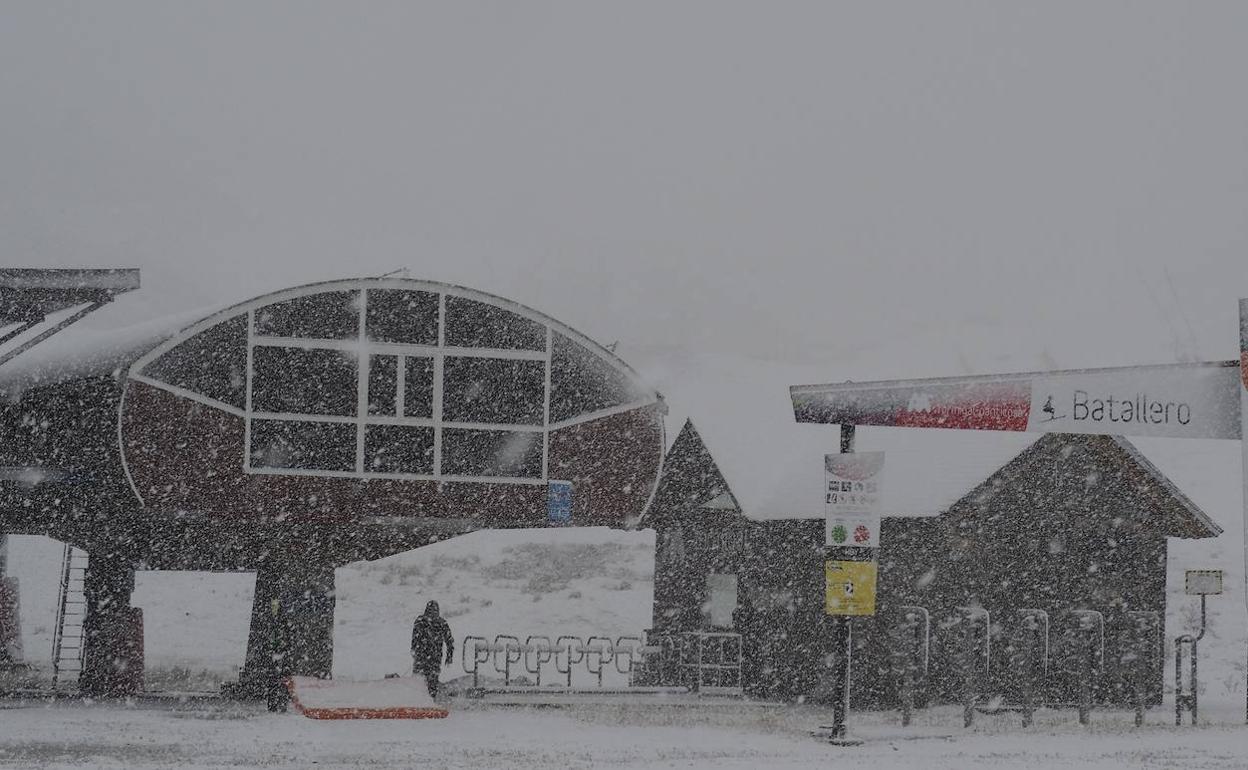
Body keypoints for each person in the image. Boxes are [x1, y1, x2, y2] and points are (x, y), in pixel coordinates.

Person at [411, 600, 453, 699]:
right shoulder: (441, 623)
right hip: (432, 657)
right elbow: (450, 641)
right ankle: (428, 699)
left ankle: (421, 699)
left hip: (425, 657)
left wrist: (414, 651)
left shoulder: (421, 621)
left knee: (420, 680)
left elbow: (414, 639)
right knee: (428, 680)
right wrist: (449, 655)